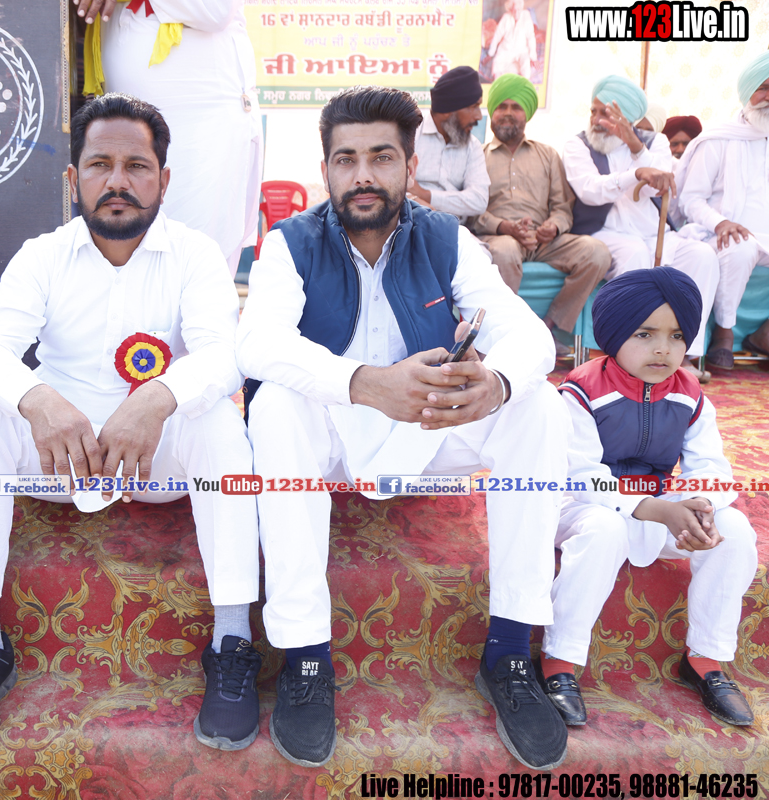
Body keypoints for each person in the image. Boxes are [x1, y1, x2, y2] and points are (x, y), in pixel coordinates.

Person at [237, 85, 570, 771]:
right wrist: (366, 384)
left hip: (427, 425)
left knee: (538, 404)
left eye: (381, 157)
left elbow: (529, 336)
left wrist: (496, 383)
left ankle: (510, 651)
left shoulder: (446, 238)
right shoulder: (289, 243)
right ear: (325, 169)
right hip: (333, 430)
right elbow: (258, 343)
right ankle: (305, 655)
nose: (363, 175)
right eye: (346, 159)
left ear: (410, 166)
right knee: (274, 405)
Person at [0, 94, 261, 751]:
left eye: (136, 166)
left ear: (163, 179)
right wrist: (38, 400)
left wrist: (158, 397)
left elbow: (225, 355)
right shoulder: (42, 255)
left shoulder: (195, 254)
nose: (118, 181)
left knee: (222, 428)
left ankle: (232, 643)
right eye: (99, 165)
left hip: (157, 455)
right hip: (60, 455)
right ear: (73, 178)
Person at [541, 267, 756, 728]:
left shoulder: (691, 394)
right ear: (614, 334)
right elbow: (581, 475)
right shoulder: (579, 391)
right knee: (604, 529)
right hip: (581, 506)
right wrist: (657, 509)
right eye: (645, 334)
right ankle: (560, 662)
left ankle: (706, 660)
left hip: (660, 508)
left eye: (677, 335)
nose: (663, 349)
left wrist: (701, 506)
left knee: (734, 529)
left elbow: (712, 468)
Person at [77, 0, 261, 276]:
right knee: (135, 261)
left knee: (191, 261)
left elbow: (216, 10)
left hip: (199, 130)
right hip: (130, 138)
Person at [563, 75, 719, 379]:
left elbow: (657, 186)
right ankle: (627, 355)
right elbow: (589, 190)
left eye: (606, 113)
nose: (596, 120)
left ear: (628, 117)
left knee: (702, 256)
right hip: (606, 233)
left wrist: (635, 146)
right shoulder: (577, 144)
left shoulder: (654, 142)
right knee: (635, 254)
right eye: (593, 111)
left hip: (654, 233)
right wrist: (635, 174)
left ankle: (685, 354)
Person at [472, 74, 610, 358]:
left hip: (544, 241)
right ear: (492, 112)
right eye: (501, 106)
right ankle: (503, 336)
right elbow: (471, 212)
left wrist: (553, 227)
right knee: (505, 252)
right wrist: (505, 227)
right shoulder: (477, 156)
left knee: (597, 252)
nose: (508, 113)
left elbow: (563, 207)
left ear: (527, 114)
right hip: (499, 237)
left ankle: (549, 328)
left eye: (516, 107)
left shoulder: (547, 155)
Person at [674, 53, 769, 367]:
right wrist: (720, 222)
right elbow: (691, 200)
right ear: (747, 91)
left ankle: (764, 335)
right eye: (763, 88)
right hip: (722, 235)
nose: (768, 97)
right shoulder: (718, 139)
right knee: (740, 247)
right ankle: (724, 335)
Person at [409, 66, 489, 223]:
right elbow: (395, 188)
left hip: (457, 229)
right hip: (411, 224)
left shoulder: (472, 146)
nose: (479, 116)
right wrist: (414, 199)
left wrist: (426, 195)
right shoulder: (410, 134)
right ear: (447, 110)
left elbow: (479, 200)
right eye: (473, 107)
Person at [487, 0, 537, 81]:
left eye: (518, 10)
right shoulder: (506, 17)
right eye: (514, 10)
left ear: (521, 8)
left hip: (521, 50)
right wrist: (490, 53)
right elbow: (497, 35)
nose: (516, 13)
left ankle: (523, 83)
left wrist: (533, 58)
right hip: (506, 49)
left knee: (526, 65)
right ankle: (500, 82)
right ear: (510, 10)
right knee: (496, 64)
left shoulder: (526, 16)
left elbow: (531, 37)